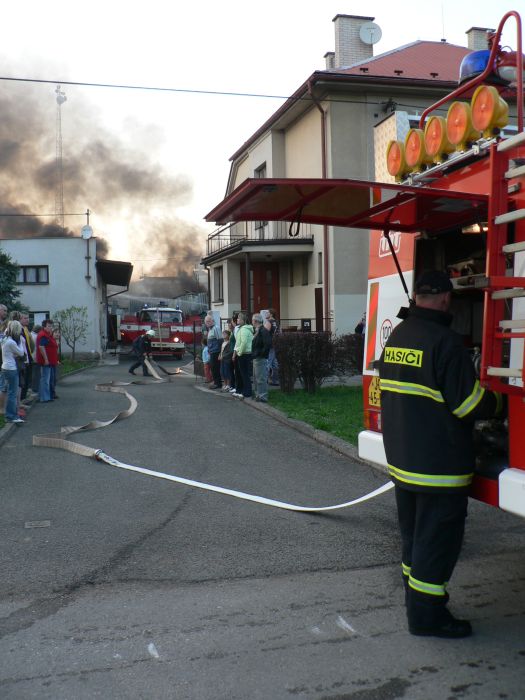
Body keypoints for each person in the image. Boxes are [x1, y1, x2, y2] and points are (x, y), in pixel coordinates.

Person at [378, 270, 504, 639]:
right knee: (437, 545)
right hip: (439, 468)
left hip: (405, 463)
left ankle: (416, 603)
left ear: (417, 297)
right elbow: (468, 405)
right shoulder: (446, 342)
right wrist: (501, 403)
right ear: (447, 298)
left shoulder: (399, 335)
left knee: (415, 541)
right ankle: (427, 618)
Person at [1, 320, 26, 423]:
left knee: (9, 391)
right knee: (13, 393)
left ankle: (10, 414)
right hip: (11, 368)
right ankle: (11, 416)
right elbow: (21, 353)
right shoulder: (11, 342)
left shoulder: (5, 339)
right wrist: (21, 342)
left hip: (5, 367)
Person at [36, 319, 59, 403]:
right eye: (49, 326)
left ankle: (44, 396)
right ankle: (45, 397)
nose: (50, 328)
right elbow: (41, 347)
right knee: (45, 379)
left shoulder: (47, 334)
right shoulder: (43, 335)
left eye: (51, 326)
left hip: (49, 361)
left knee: (45, 379)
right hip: (45, 361)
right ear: (44, 327)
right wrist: (46, 359)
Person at [251, 313, 272, 402]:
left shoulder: (263, 330)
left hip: (260, 357)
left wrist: (261, 354)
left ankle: (263, 396)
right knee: (256, 378)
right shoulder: (258, 330)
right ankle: (258, 395)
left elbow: (267, 344)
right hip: (256, 357)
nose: (252, 322)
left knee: (261, 378)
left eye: (252, 320)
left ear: (255, 321)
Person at [233, 312, 254, 399]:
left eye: (239, 318)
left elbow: (244, 342)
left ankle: (247, 392)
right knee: (243, 374)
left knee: (244, 374)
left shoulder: (244, 329)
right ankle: (244, 390)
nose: (237, 319)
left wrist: (239, 352)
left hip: (244, 354)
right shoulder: (243, 328)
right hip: (245, 353)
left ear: (243, 320)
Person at [204, 315, 222, 389]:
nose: (207, 323)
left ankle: (218, 383)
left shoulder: (216, 328)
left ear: (212, 321)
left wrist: (220, 352)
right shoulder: (210, 329)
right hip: (212, 351)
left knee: (215, 368)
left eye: (209, 321)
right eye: (206, 322)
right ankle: (215, 382)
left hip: (216, 351)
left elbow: (220, 340)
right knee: (213, 367)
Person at [264, 308, 280, 385]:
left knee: (268, 362)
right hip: (275, 344)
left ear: (271, 314)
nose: (266, 314)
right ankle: (275, 380)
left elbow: (264, 333)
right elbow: (279, 332)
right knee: (274, 363)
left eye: (267, 313)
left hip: (269, 345)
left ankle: (265, 380)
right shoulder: (276, 322)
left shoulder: (269, 322)